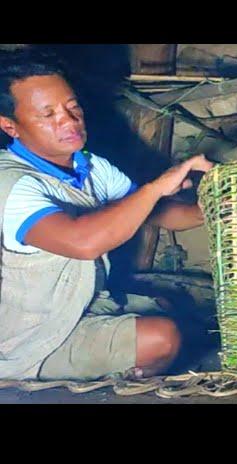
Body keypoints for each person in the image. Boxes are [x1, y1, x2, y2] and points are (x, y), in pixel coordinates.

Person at [0, 49, 214, 381]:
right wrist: (157, 186)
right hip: (30, 339)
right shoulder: (10, 180)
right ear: (9, 126)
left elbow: (158, 213)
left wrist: (215, 207)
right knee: (162, 338)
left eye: (73, 108)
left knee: (175, 309)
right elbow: (83, 241)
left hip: (82, 306)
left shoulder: (89, 165)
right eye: (48, 115)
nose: (69, 122)